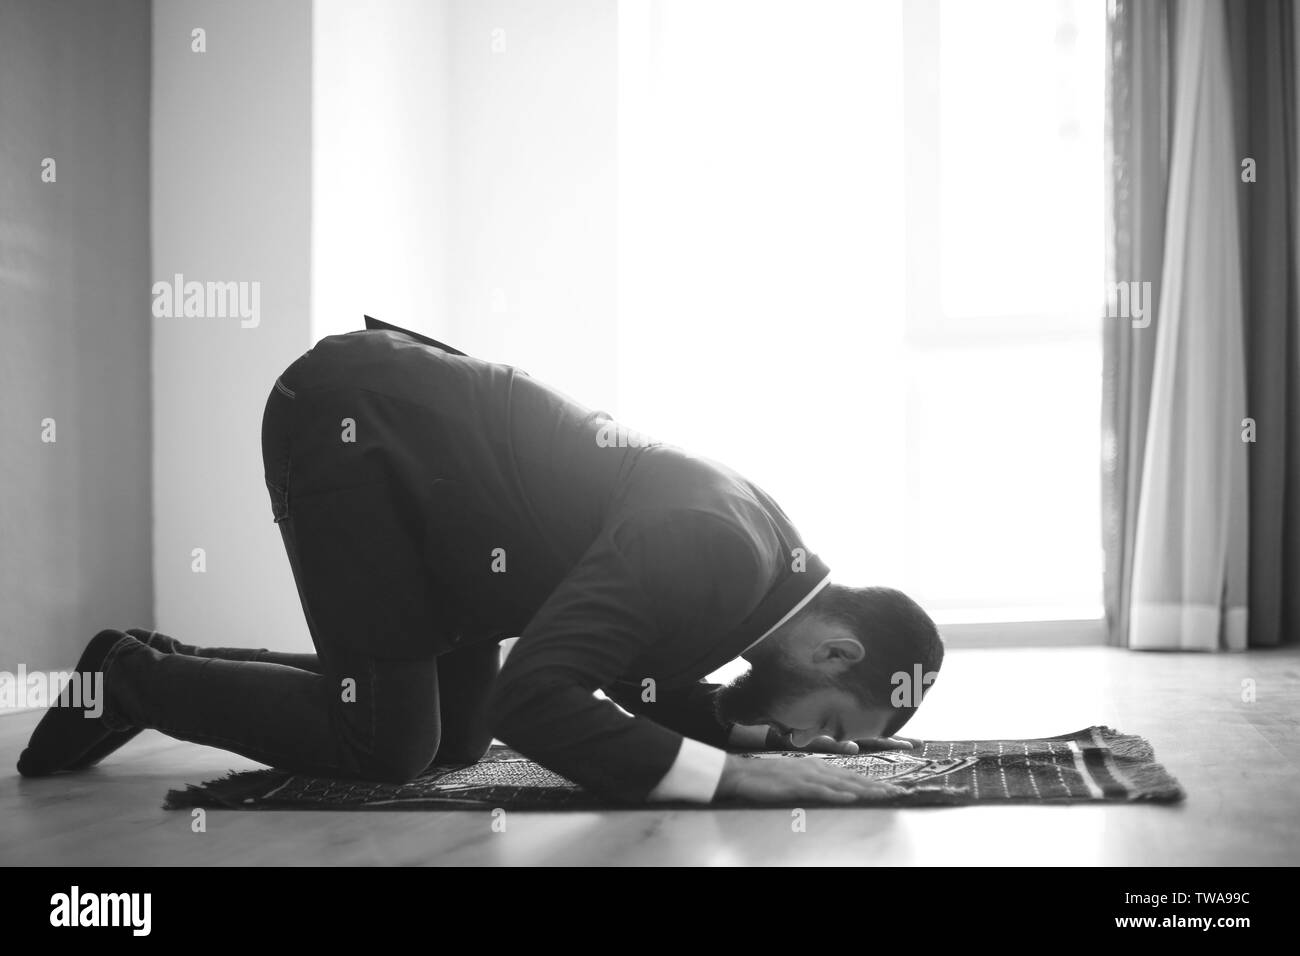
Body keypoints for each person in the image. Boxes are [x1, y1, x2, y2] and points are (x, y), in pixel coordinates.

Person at [19, 317, 943, 805]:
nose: (812, 743)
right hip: (363, 432)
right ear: (837, 655)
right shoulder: (714, 549)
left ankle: (171, 663)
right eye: (827, 725)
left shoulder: (760, 567)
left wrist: (752, 739)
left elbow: (631, 675)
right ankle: (130, 680)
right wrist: (732, 777)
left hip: (445, 510)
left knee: (452, 743)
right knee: (385, 743)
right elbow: (534, 697)